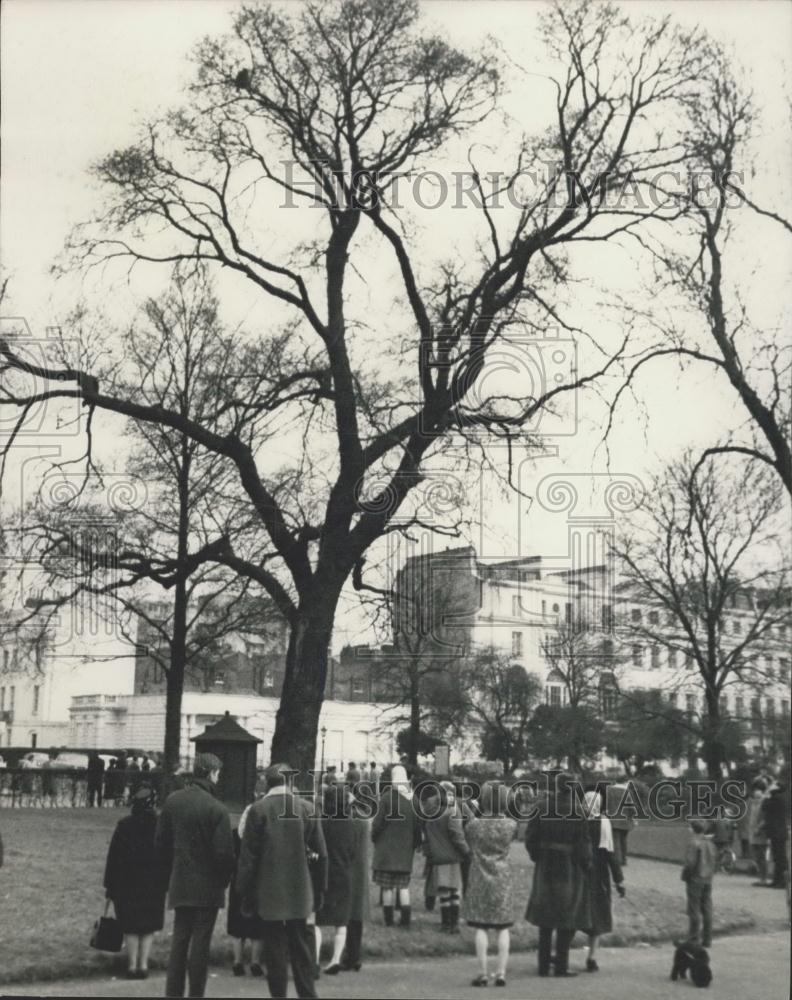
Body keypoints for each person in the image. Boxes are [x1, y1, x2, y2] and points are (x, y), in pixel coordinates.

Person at [237, 761, 327, 1000]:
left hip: (269, 891)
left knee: (274, 949)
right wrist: (319, 890)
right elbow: (322, 855)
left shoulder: (258, 810)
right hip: (301, 889)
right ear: (290, 782)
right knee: (302, 948)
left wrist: (244, 892)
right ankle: (308, 994)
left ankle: (278, 995)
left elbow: (248, 858)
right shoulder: (307, 808)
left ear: (267, 782)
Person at [156, 752, 235, 999]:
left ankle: (173, 993)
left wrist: (172, 871)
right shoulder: (218, 809)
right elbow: (223, 854)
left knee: (179, 941)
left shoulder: (173, 801)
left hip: (181, 880)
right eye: (218, 773)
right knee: (200, 944)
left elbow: (161, 844)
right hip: (208, 886)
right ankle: (196, 994)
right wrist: (223, 881)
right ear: (212, 773)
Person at [525, 773, 592, 978]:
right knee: (566, 917)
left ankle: (544, 965)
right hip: (569, 867)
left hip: (546, 865)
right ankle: (561, 966)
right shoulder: (579, 811)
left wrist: (538, 856)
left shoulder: (541, 807)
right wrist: (585, 864)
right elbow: (584, 844)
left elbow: (530, 838)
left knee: (545, 918)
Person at [104, 786, 167, 979]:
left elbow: (113, 857)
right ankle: (143, 964)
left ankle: (131, 966)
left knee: (130, 926)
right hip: (153, 883)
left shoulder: (124, 825)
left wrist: (110, 886)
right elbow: (166, 855)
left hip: (127, 882)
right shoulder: (160, 825)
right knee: (148, 926)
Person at [463, 782, 517, 987]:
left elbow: (468, 835)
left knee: (481, 926)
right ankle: (501, 973)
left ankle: (482, 973)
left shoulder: (474, 826)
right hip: (502, 877)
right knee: (503, 927)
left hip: (479, 875)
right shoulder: (510, 825)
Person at [372, 764, 421, 928]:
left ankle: (388, 920)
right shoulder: (413, 799)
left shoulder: (386, 798)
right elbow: (418, 826)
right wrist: (414, 845)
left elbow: (377, 824)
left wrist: (375, 838)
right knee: (403, 887)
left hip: (386, 850)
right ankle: (405, 920)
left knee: (387, 888)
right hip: (405, 850)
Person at [580, 789, 625, 973]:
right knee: (597, 916)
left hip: (581, 872)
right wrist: (619, 880)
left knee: (577, 911)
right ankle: (592, 957)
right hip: (599, 875)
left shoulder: (579, 821)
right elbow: (611, 854)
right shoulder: (604, 823)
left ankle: (562, 953)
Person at [315, 783, 357, 975]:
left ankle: (314, 960)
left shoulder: (321, 822)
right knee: (341, 922)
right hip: (344, 873)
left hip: (323, 874)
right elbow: (353, 851)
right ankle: (335, 959)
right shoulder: (351, 824)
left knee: (316, 920)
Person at [227, 785, 266, 978]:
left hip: (239, 880)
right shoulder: (264, 836)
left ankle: (237, 961)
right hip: (259, 881)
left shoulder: (235, 835)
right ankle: (256, 962)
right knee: (258, 925)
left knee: (237, 924)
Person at [423, 781, 469, 933]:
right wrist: (467, 852)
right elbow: (457, 836)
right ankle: (454, 924)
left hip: (437, 857)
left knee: (443, 892)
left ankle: (445, 923)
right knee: (454, 891)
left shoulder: (430, 813)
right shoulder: (452, 814)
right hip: (452, 857)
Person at [341, 792, 371, 972]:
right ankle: (355, 955)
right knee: (356, 917)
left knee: (346, 916)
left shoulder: (347, 821)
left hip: (348, 869)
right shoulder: (363, 819)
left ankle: (348, 956)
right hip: (360, 870)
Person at [681, 819, 717, 947]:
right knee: (707, 908)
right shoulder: (710, 844)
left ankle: (693, 938)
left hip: (695, 878)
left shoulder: (693, 843)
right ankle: (707, 938)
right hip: (707, 878)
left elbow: (690, 863)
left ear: (692, 829)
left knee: (694, 908)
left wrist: (685, 875)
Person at [762, 782, 789, 889]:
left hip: (777, 832)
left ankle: (781, 881)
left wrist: (766, 794)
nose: (770, 786)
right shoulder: (779, 797)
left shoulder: (776, 798)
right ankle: (778, 880)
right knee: (779, 857)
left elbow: (764, 807)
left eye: (773, 785)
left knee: (779, 858)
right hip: (779, 832)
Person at [748, 779, 769, 886]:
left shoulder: (764, 802)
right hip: (753, 832)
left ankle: (763, 879)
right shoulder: (753, 803)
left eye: (759, 790)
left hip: (761, 833)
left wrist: (759, 828)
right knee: (757, 856)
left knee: (761, 856)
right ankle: (760, 877)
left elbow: (766, 818)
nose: (756, 792)